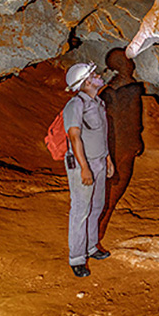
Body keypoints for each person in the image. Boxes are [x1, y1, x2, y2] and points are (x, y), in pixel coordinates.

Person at [63, 62, 115, 277]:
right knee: (81, 210)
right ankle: (76, 257)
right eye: (93, 75)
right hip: (83, 164)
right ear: (86, 82)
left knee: (97, 206)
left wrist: (108, 159)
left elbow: (100, 136)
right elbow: (74, 137)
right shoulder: (76, 105)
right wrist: (84, 168)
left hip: (100, 161)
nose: (98, 76)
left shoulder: (98, 102)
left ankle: (91, 247)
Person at [97, 48, 144, 249]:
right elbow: (133, 121)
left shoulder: (109, 91)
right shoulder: (128, 91)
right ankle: (95, 237)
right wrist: (136, 142)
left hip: (113, 145)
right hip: (123, 147)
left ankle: (95, 235)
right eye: (128, 61)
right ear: (122, 66)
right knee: (112, 195)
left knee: (108, 193)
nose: (132, 64)